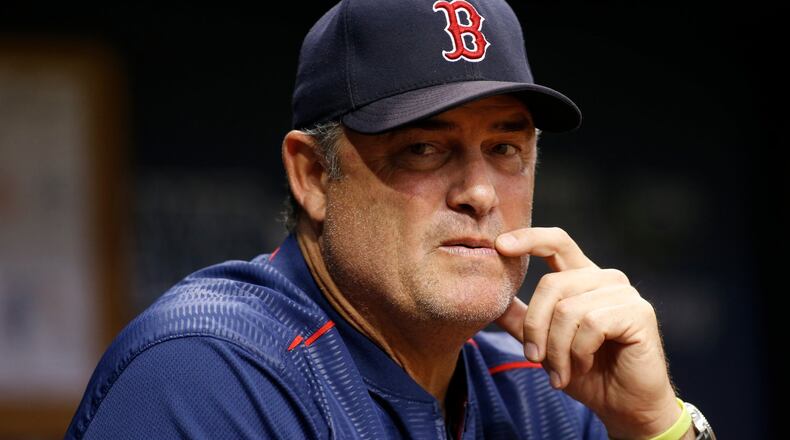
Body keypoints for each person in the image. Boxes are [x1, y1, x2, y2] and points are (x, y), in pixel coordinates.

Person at [67, 0, 716, 439]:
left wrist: (653, 424)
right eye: (424, 148)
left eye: (505, 148)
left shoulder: (546, 394)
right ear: (313, 175)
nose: (479, 193)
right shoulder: (209, 374)